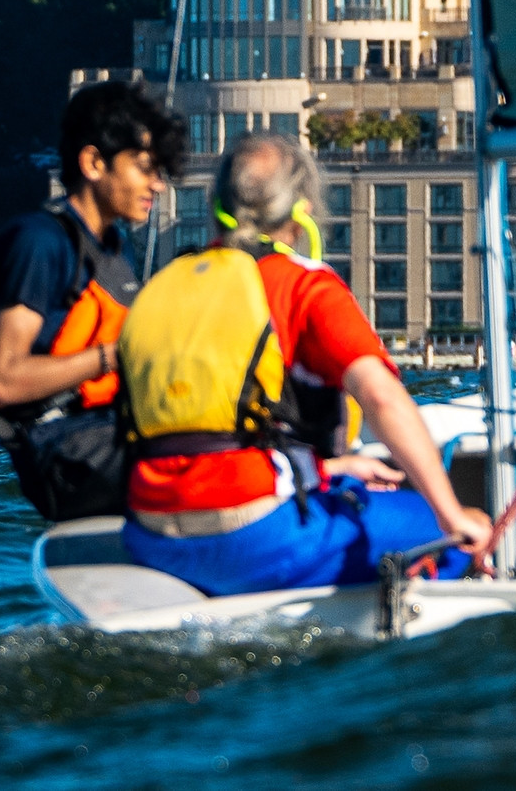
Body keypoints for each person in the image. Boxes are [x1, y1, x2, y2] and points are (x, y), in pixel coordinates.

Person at [117, 132, 492, 595]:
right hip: (252, 535)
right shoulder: (304, 285)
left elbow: (205, 434)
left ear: (216, 204)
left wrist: (329, 470)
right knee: (446, 532)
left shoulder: (169, 284)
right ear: (302, 211)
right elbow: (380, 397)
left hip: (150, 530)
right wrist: (453, 517)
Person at [0, 81, 185, 521]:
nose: (157, 185)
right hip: (62, 455)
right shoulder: (40, 244)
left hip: (107, 432)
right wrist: (114, 356)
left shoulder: (113, 249)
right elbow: (3, 381)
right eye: (143, 168)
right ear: (93, 163)